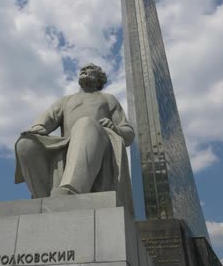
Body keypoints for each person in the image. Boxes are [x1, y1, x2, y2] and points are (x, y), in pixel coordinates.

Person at [15, 63, 134, 211]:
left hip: (100, 146)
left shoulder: (108, 99)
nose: (84, 69)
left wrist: (115, 128)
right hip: (66, 144)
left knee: (85, 123)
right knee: (26, 143)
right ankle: (45, 200)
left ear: (99, 78)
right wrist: (39, 127)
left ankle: (71, 190)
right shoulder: (66, 100)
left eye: (89, 68)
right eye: (82, 69)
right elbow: (45, 121)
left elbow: (129, 134)